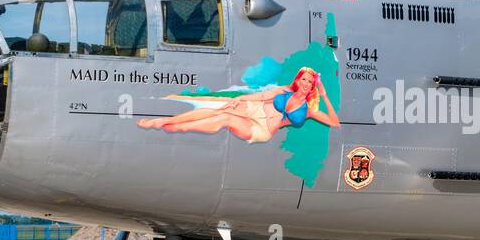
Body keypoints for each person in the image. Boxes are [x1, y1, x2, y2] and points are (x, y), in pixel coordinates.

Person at [137, 66, 338, 141]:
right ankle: (165, 121)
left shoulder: (309, 110)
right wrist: (240, 98)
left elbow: (334, 122)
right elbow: (260, 97)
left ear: (313, 86)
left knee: (223, 118)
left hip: (261, 129)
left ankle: (178, 127)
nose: (305, 83)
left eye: (310, 82)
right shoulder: (284, 90)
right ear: (298, 80)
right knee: (214, 109)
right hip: (254, 109)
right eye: (303, 79)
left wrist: (325, 96)